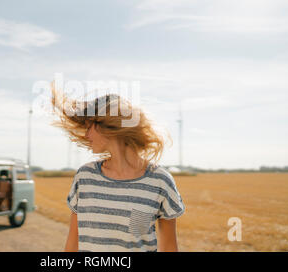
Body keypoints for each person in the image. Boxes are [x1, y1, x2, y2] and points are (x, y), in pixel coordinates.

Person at [50, 82, 186, 252]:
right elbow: (73, 241)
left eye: (88, 127)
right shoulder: (85, 177)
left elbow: (169, 247)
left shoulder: (160, 181)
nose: (86, 135)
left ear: (107, 124)